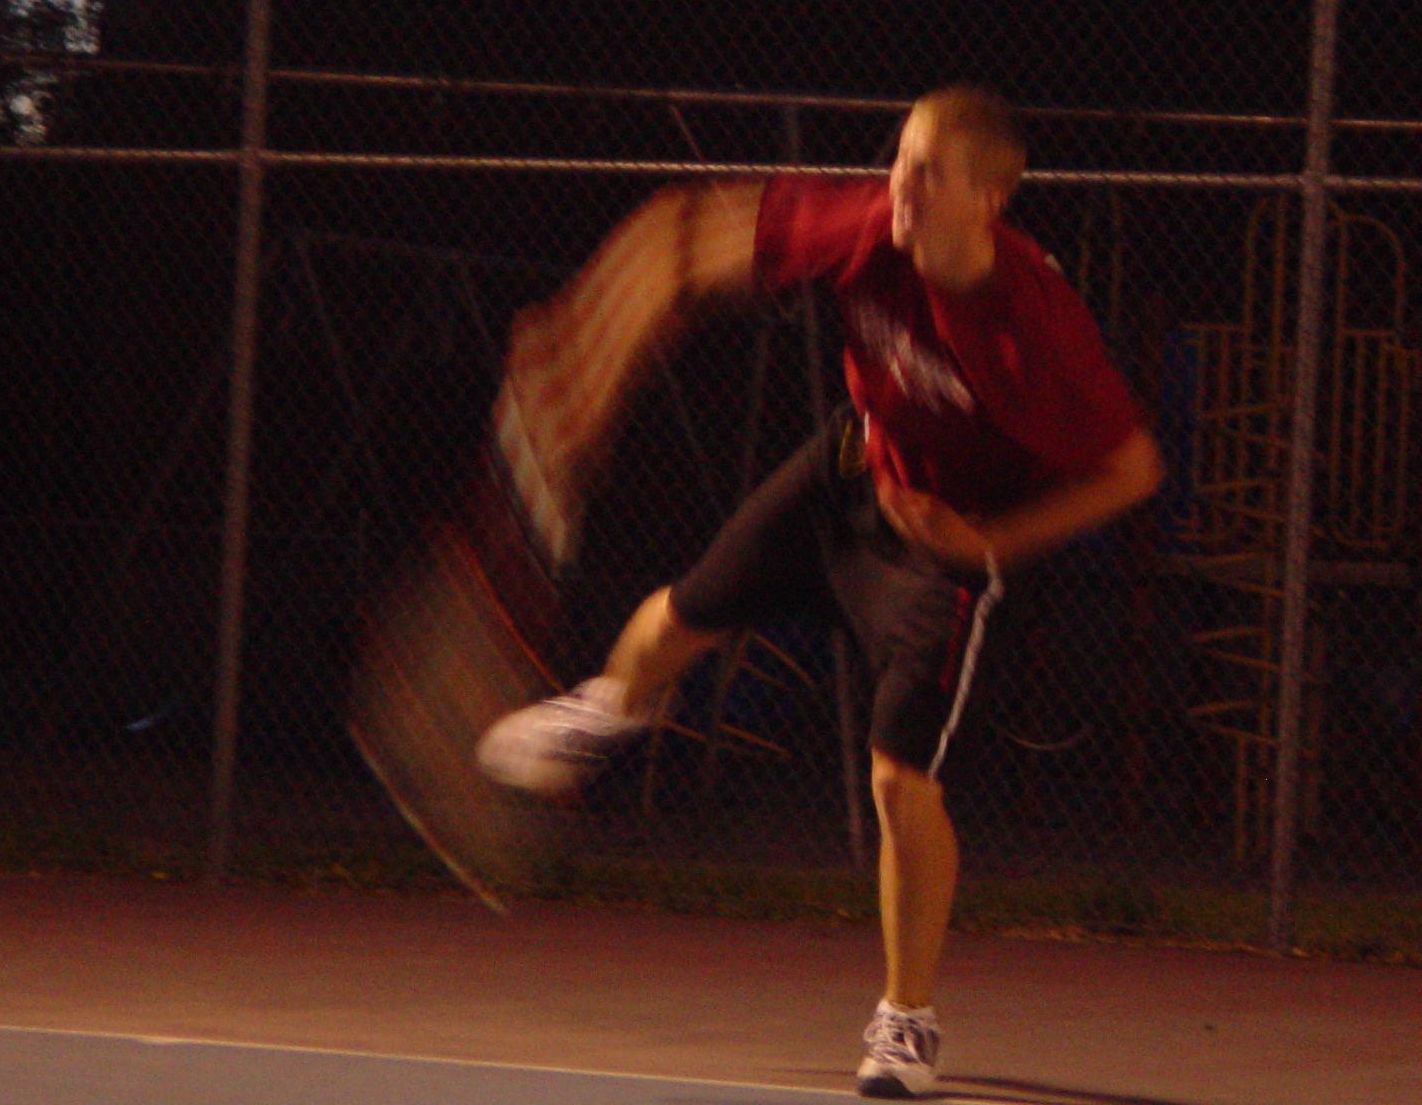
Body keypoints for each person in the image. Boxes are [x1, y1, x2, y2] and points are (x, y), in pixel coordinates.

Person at [477, 85, 1162, 1100]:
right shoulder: (867, 228)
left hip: (939, 548)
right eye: (900, 157)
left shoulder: (1037, 326)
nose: (901, 182)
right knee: (681, 616)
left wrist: (994, 542)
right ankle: (605, 712)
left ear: (988, 198)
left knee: (899, 780)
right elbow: (683, 232)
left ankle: (905, 1022)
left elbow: (1133, 469)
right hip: (849, 474)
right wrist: (588, 337)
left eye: (928, 170)